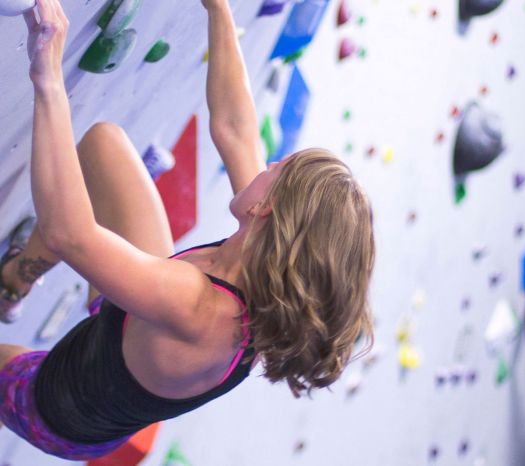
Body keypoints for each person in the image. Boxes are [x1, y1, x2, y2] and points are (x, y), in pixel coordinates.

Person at [0, 0, 375, 460]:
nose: (268, 162)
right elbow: (237, 129)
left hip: (58, 407)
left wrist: (48, 78)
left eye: (277, 167)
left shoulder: (199, 306)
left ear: (267, 206)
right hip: (125, 327)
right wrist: (218, 8)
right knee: (105, 146)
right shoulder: (263, 253)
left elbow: (68, 233)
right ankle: (15, 280)